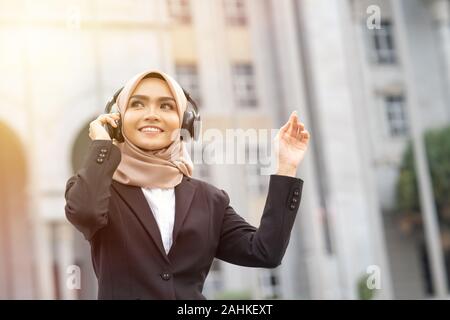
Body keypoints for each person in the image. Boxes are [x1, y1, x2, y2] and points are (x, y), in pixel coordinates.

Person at [64, 70, 310, 299]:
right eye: (137, 104)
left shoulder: (210, 199)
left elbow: (266, 251)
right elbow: (84, 213)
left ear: (184, 122)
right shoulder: (99, 189)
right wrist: (102, 145)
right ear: (117, 120)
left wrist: (286, 167)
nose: (152, 113)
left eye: (166, 106)